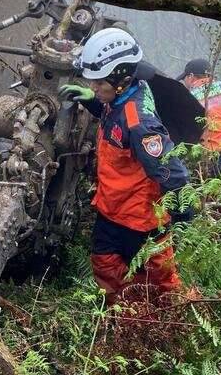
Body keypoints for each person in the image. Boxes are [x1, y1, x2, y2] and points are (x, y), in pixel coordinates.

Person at [59, 28, 193, 302]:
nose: (94, 88)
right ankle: (122, 314)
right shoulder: (120, 95)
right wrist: (92, 102)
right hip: (112, 207)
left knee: (160, 281)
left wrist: (183, 211)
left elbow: (169, 169)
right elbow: (113, 119)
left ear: (121, 77)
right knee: (105, 264)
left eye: (98, 83)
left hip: (140, 218)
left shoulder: (140, 123)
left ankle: (164, 321)